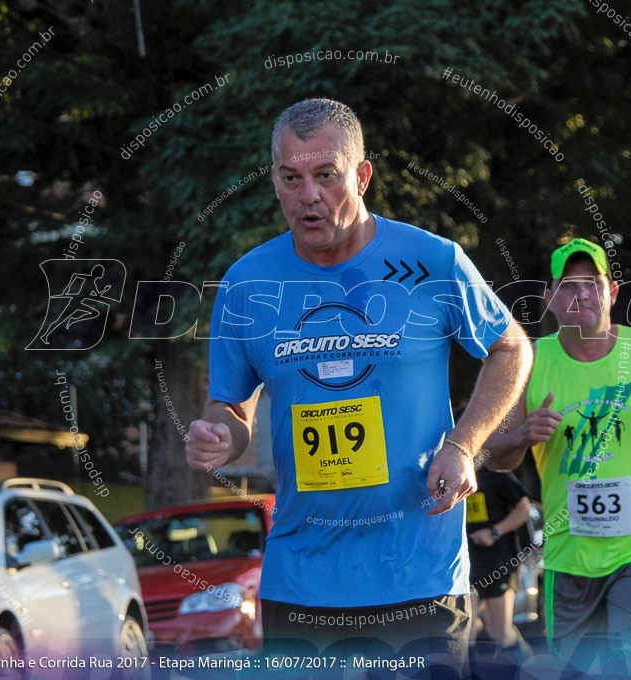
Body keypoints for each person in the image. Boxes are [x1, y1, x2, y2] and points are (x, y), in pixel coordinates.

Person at [184, 99, 532, 662]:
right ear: (273, 178)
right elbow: (233, 408)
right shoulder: (246, 284)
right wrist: (220, 436)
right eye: (290, 178)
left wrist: (464, 445)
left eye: (325, 176)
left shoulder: (431, 261)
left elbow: (510, 345)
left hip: (418, 577)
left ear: (362, 175)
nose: (307, 196)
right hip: (300, 581)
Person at [484, 237, 631, 676]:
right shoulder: (531, 362)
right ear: (551, 300)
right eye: (569, 287)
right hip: (568, 556)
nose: (582, 296)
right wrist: (521, 435)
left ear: (612, 293)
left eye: (592, 283)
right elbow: (493, 454)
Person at [465, 465, 532, 654]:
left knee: (500, 633)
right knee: (463, 634)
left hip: (497, 563)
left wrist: (494, 532)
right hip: (464, 565)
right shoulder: (448, 475)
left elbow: (524, 509)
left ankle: (524, 664)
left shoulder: (495, 472)